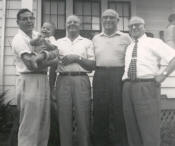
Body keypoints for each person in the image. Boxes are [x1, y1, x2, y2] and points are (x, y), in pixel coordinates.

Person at [37, 15, 95, 146]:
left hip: (81, 79)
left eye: (75, 22)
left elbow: (92, 66)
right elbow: (52, 68)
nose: (72, 24)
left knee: (83, 117)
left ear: (80, 25)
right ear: (66, 25)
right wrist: (51, 88)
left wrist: (77, 58)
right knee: (64, 118)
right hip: (62, 80)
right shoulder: (58, 42)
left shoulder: (87, 42)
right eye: (69, 22)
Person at [122, 16, 175, 146]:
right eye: (131, 26)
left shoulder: (154, 42)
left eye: (137, 25)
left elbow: (173, 58)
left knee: (149, 129)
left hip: (146, 87)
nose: (134, 27)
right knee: (132, 128)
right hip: (127, 87)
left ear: (144, 27)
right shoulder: (129, 46)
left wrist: (163, 75)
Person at [92, 9, 131, 146]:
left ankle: (120, 143)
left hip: (118, 76)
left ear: (118, 20)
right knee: (100, 111)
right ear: (102, 20)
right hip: (100, 76)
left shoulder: (126, 38)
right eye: (105, 17)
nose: (108, 20)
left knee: (118, 112)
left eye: (111, 18)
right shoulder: (96, 38)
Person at [12, 8, 50, 146]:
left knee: (43, 123)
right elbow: (30, 64)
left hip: (43, 79)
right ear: (18, 22)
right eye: (24, 19)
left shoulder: (36, 35)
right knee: (30, 125)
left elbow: (55, 53)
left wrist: (44, 58)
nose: (29, 21)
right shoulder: (19, 39)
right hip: (29, 80)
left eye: (31, 18)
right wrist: (49, 59)